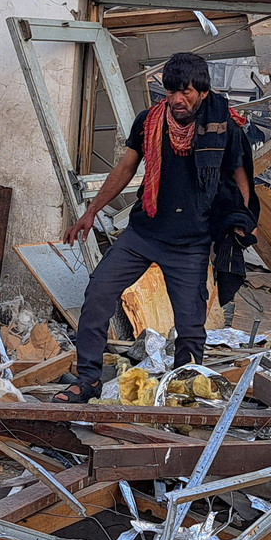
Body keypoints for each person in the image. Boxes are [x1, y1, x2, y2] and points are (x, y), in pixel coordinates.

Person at [53, 51, 258, 403]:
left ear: (203, 92)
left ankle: (183, 390)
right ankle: (87, 380)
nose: (177, 100)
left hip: (191, 242)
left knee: (190, 325)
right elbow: (125, 169)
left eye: (186, 92)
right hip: (143, 233)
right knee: (98, 294)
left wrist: (238, 225)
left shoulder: (224, 127)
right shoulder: (149, 122)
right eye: (171, 91)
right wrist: (91, 211)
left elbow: (242, 180)